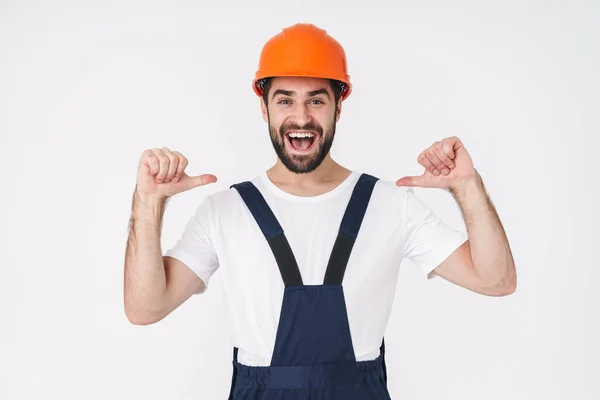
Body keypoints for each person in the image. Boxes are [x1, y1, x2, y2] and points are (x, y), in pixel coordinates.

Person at [123, 23, 516, 400]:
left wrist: (467, 187)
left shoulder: (390, 204)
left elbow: (495, 280)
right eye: (285, 99)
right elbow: (144, 308)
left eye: (316, 99)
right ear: (264, 108)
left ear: (338, 107)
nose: (301, 116)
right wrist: (149, 202)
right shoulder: (225, 211)